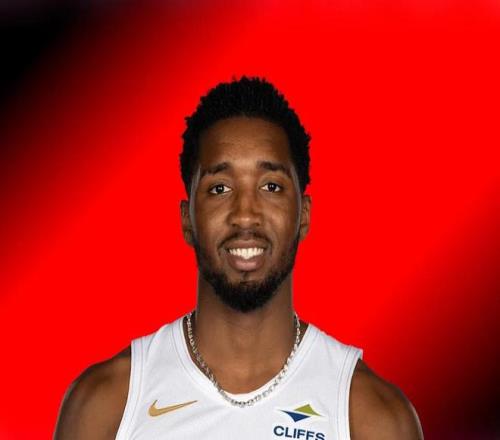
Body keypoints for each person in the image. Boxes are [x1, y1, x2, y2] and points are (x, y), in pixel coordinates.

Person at [54, 77, 423, 439]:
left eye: (271, 186)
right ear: (187, 220)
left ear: (304, 215)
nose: (245, 215)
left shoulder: (370, 416)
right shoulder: (107, 404)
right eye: (220, 188)